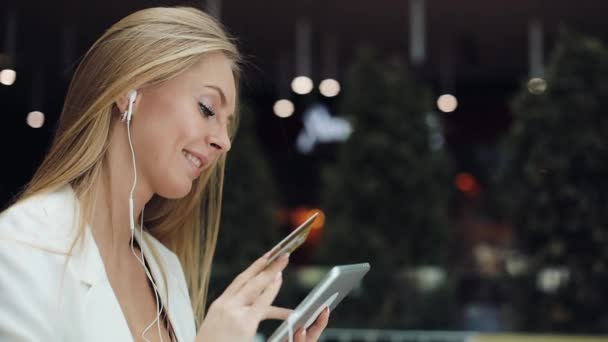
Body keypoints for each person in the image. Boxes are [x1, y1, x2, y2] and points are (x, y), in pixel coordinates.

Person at [0, 6, 329, 342]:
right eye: (207, 109)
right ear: (129, 93)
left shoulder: (164, 269)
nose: (224, 141)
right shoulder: (21, 249)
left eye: (227, 124)